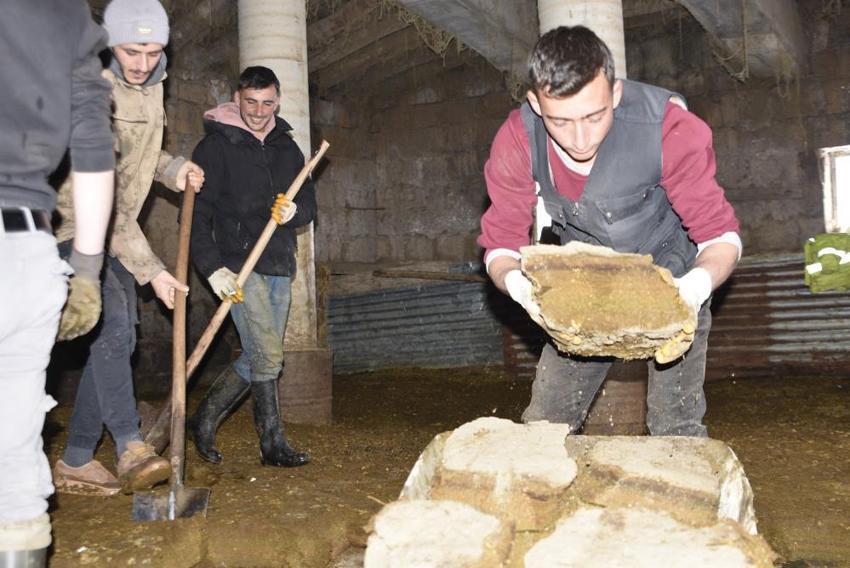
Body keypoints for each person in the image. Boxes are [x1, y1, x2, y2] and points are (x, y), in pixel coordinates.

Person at [479, 26, 742, 437]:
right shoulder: (518, 139)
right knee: (544, 427)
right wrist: (521, 289)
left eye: (594, 116)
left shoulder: (669, 127)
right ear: (535, 103)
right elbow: (500, 244)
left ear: (615, 94)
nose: (579, 139)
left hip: (673, 270)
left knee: (677, 427)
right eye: (560, 121)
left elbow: (720, 237)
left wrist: (691, 291)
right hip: (585, 283)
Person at [51, 0, 206, 497]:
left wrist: (172, 167)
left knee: (120, 337)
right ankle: (129, 444)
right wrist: (153, 269)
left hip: (107, 230)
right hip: (66, 225)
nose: (141, 62)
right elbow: (104, 194)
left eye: (153, 51)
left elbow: (139, 154)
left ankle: (76, 459)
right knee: (114, 323)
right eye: (131, 51)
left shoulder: (152, 86)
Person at [0, 1, 115, 564]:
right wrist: (88, 271)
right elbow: (96, 153)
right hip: (29, 250)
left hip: (40, 249)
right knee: (15, 461)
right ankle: (101, 449)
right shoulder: (66, 16)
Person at [187, 66, 316, 468]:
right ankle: (272, 443)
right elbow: (194, 217)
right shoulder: (215, 148)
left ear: (277, 101)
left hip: (278, 261)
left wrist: (295, 211)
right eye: (250, 102)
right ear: (236, 98)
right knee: (267, 355)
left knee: (264, 356)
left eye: (267, 102)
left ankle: (203, 418)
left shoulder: (286, 149)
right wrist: (212, 269)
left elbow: (309, 203)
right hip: (237, 265)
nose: (259, 111)